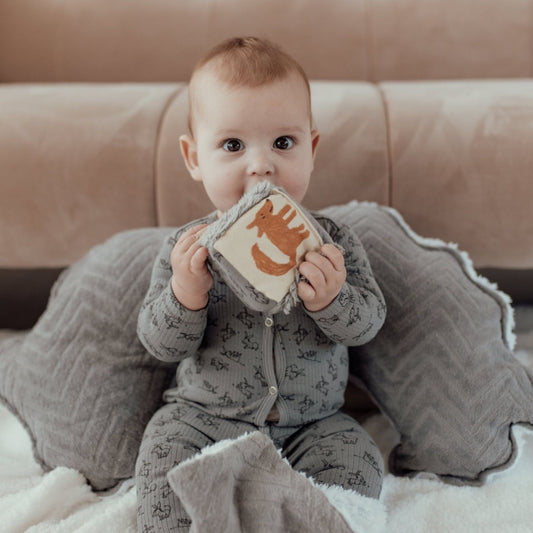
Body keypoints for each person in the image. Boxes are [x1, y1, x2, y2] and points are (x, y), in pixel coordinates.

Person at [135, 36, 386, 532]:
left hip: (310, 425)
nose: (261, 164)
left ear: (310, 150)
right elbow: (160, 344)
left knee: (360, 460)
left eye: (283, 143)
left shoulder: (331, 242)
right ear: (194, 158)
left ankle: (288, 516)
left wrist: (334, 300)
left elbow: (367, 325)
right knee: (161, 455)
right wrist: (187, 294)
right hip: (205, 419)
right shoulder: (188, 247)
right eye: (232, 145)